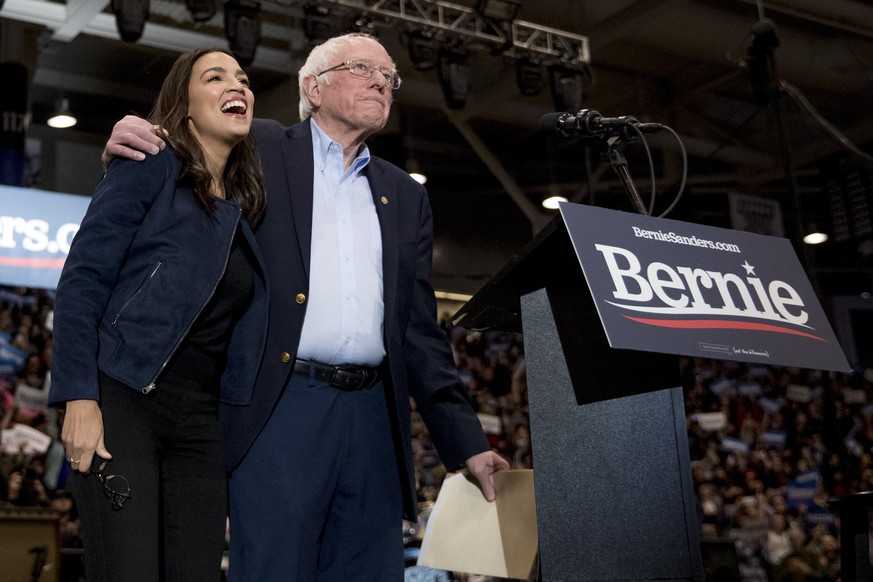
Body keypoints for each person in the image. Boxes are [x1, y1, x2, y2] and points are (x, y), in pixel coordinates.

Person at [103, 32, 509, 581]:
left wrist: (467, 443)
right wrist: (140, 133)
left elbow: (417, 330)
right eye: (363, 67)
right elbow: (193, 137)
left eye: (389, 77)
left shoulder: (404, 193)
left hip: (373, 421)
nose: (380, 82)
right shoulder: (260, 146)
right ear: (312, 87)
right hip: (281, 405)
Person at [49, 48, 268, 582]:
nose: (235, 85)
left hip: (200, 426)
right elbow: (81, 281)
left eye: (242, 77)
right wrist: (79, 395)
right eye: (214, 77)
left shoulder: (248, 205)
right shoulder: (149, 164)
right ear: (184, 106)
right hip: (122, 402)